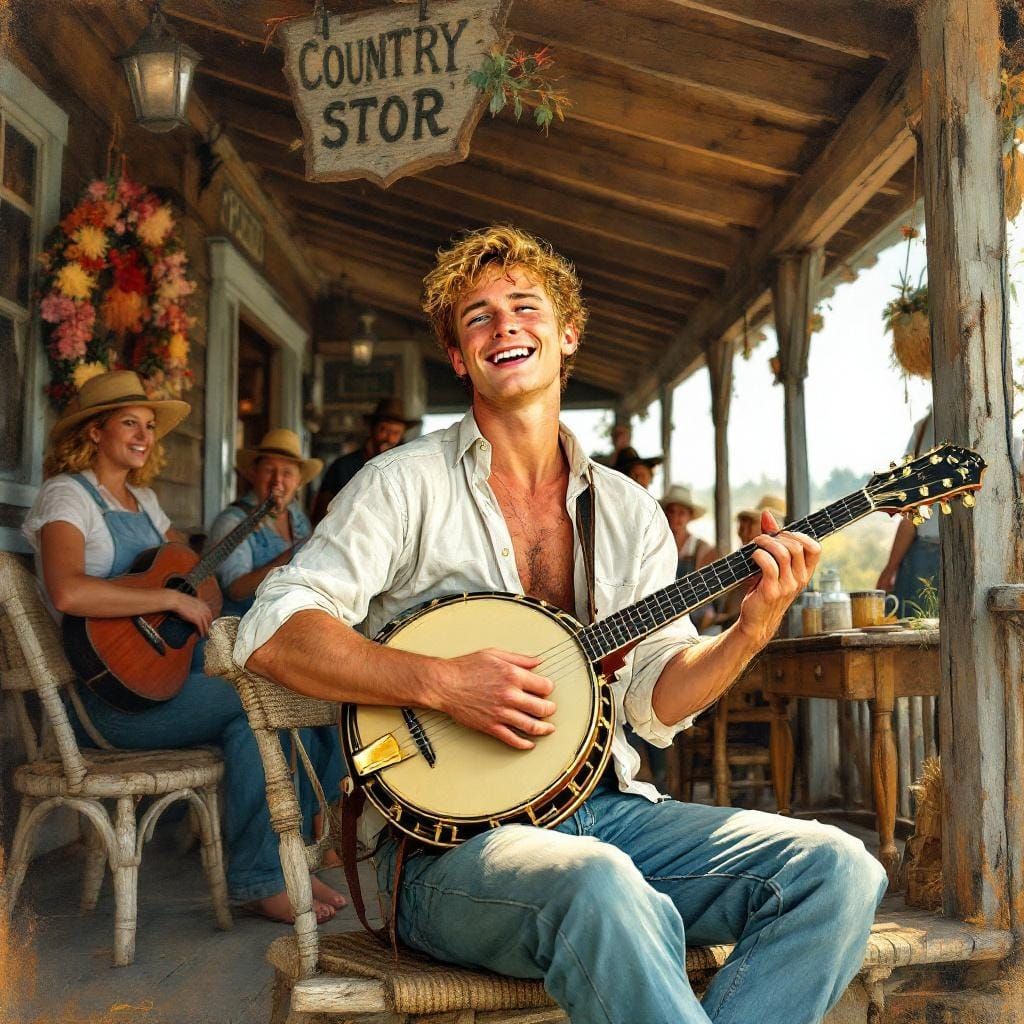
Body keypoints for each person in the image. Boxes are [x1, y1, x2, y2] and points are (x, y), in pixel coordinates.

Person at [234, 227, 886, 1024]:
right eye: (477, 317)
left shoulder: (630, 510)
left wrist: (750, 631)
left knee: (838, 869)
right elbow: (271, 628)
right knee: (602, 885)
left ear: (567, 333)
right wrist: (441, 682)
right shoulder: (401, 485)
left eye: (523, 307)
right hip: (446, 855)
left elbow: (655, 702)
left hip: (608, 813)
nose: (502, 325)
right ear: (457, 355)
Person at [22, 370, 346, 924]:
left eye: (149, 425)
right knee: (254, 705)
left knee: (276, 690)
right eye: (130, 422)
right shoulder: (67, 495)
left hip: (156, 683)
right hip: (103, 703)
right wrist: (170, 602)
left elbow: (187, 573)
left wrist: (193, 586)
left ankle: (281, 863)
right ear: (94, 432)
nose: (145, 434)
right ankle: (267, 874)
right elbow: (67, 589)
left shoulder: (146, 503)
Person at [207, 429, 321, 618]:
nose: (277, 481)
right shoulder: (233, 521)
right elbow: (235, 590)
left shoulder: (297, 517)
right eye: (269, 470)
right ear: (254, 473)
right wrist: (295, 552)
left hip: (287, 623)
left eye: (287, 473)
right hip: (240, 629)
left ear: (299, 480)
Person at [311, 396, 420, 525]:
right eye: (383, 430)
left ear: (402, 436)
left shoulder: (405, 472)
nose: (389, 438)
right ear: (372, 429)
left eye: (395, 433)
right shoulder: (342, 467)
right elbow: (319, 516)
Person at [877, 408, 940, 616]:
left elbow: (911, 516)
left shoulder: (923, 429)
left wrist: (889, 570)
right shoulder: (1005, 425)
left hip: (926, 557)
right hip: (928, 556)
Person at [709, 495, 787, 632]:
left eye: (751, 523)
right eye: (744, 524)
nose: (744, 530)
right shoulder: (746, 560)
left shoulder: (770, 563)